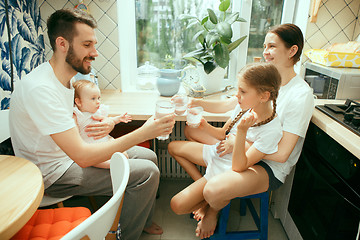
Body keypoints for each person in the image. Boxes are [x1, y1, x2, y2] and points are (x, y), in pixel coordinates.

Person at [9, 8, 175, 240]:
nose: (95, 52)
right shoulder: (41, 89)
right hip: (53, 174)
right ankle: (125, 236)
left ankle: (140, 217)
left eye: (94, 44)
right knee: (146, 173)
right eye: (87, 45)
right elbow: (84, 157)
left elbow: (72, 123)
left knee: (149, 157)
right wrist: (142, 132)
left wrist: (107, 124)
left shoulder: (67, 80)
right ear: (62, 43)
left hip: (69, 155)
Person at [169, 23, 314, 238]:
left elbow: (283, 154)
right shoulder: (261, 79)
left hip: (268, 165)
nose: (266, 52)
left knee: (212, 190)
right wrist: (194, 101)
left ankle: (212, 208)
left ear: (292, 51)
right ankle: (209, 187)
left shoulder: (300, 94)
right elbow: (230, 104)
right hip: (245, 148)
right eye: (265, 46)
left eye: (272, 46)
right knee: (191, 133)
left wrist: (238, 142)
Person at [168, 63, 283, 238]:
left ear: (264, 96)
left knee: (177, 205)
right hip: (218, 152)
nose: (237, 95)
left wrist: (242, 133)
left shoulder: (272, 130)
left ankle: (211, 204)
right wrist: (204, 125)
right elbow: (223, 134)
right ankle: (207, 199)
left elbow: (239, 167)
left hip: (226, 169)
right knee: (172, 147)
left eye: (243, 91)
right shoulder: (245, 107)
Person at [73, 79, 132, 169]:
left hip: (106, 142)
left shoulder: (98, 111)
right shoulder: (77, 115)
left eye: (99, 98)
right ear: (78, 102)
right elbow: (74, 136)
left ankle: (121, 164)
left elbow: (108, 121)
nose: (98, 102)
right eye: (93, 98)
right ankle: (114, 166)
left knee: (124, 154)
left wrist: (118, 119)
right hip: (92, 148)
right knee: (101, 162)